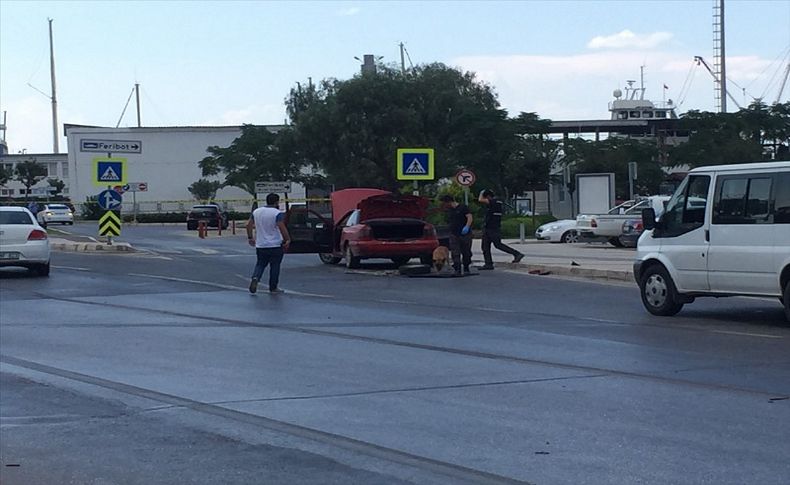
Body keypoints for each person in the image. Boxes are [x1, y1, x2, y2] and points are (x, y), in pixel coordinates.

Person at [246, 193, 291, 294]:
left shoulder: (256, 212)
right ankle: (273, 287)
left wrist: (250, 237)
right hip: (275, 245)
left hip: (261, 244)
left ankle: (255, 277)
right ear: (276, 202)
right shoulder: (277, 213)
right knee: (275, 266)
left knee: (260, 264)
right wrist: (287, 239)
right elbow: (281, 227)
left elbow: (248, 225)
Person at [477, 189, 524, 270]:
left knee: (497, 245)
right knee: (486, 246)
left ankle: (516, 254)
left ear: (488, 197)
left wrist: (481, 192)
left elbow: (480, 200)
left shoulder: (494, 202)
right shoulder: (498, 202)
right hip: (491, 227)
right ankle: (488, 264)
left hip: (492, 228)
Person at [439, 194, 473, 277]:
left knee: (466, 252)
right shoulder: (450, 210)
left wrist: (467, 226)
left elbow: (469, 217)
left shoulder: (463, 207)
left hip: (464, 234)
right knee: (455, 252)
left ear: (449, 202)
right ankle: (457, 269)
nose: (444, 205)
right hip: (454, 234)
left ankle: (466, 267)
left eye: (444, 203)